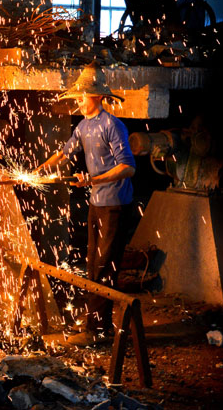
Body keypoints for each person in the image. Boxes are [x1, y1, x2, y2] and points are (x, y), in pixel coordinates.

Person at [34, 61, 136, 346]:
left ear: (99, 97)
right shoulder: (83, 126)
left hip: (115, 205)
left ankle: (100, 331)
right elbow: (65, 153)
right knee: (92, 264)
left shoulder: (112, 126)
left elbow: (128, 167)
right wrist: (38, 171)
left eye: (83, 94)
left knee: (105, 266)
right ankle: (95, 324)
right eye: (77, 94)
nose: (78, 99)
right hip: (96, 203)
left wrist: (92, 179)